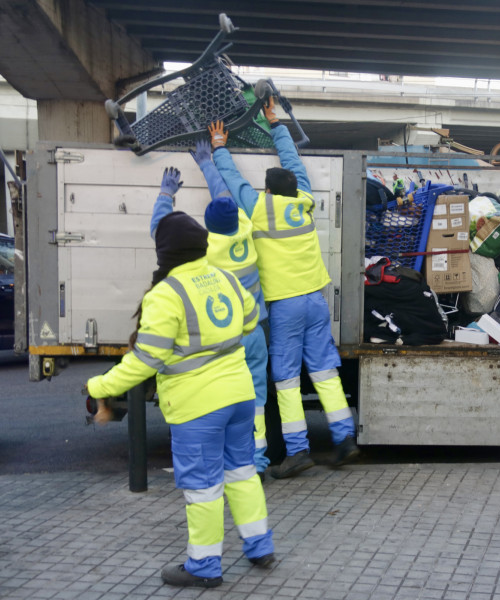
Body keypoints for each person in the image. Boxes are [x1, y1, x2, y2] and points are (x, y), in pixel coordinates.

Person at [86, 169, 274, 588]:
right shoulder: (224, 276)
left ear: (164, 254)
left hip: (198, 407)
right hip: (240, 396)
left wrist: (99, 387)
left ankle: (204, 567)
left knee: (203, 489)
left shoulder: (165, 295)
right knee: (241, 473)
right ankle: (260, 546)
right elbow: (249, 322)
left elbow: (144, 361)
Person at [208, 97, 359, 479]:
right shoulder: (305, 201)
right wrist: (276, 123)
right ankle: (345, 439)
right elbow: (294, 164)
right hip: (316, 300)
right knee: (325, 371)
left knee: (287, 379)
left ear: (269, 192)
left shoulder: (259, 208)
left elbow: (232, 180)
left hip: (286, 306)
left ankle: (297, 451)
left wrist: (219, 147)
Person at [149, 142, 271, 481]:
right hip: (256, 334)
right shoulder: (246, 230)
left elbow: (160, 232)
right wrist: (208, 163)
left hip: (225, 339)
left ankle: (221, 464)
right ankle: (256, 463)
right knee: (255, 400)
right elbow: (224, 196)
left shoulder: (206, 250)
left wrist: (166, 194)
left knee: (219, 400)